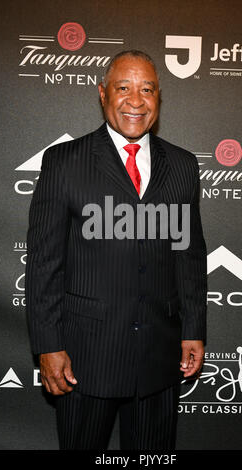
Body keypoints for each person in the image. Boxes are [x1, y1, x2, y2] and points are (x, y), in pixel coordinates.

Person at [25, 50, 207, 450]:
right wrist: (48, 344)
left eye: (147, 89)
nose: (136, 100)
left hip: (159, 357)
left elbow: (188, 253)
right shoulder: (65, 162)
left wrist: (193, 327)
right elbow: (43, 262)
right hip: (86, 356)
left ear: (159, 97)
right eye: (124, 88)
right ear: (103, 93)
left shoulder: (182, 165)